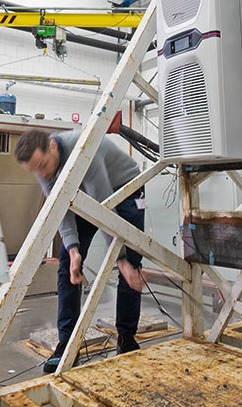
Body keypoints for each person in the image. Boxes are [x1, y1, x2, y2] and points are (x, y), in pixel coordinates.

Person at [14, 128, 145, 373]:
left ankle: (126, 338)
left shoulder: (84, 149)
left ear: (52, 147)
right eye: (36, 171)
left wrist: (122, 261)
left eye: (43, 165)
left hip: (124, 188)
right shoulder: (43, 165)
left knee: (130, 261)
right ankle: (66, 343)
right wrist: (74, 250)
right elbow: (61, 211)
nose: (42, 174)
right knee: (67, 262)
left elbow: (103, 206)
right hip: (86, 195)